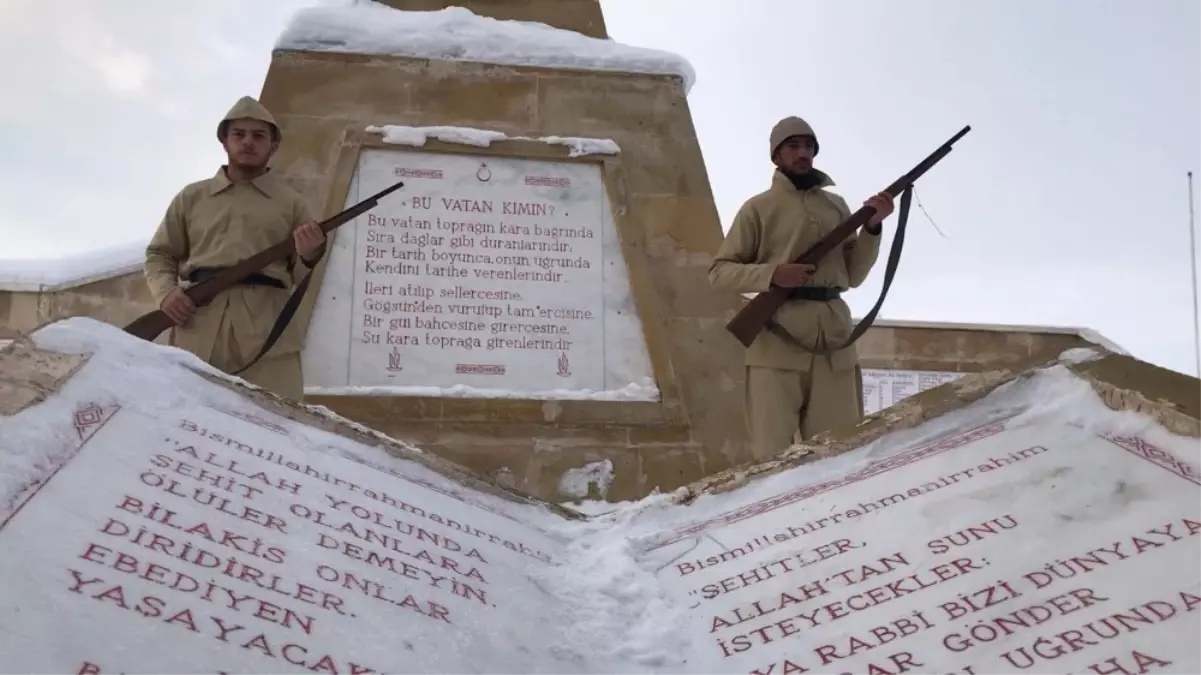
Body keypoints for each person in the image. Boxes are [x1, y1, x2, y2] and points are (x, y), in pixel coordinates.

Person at [709, 116, 895, 458]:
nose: (803, 153)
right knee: (771, 456)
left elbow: (853, 275)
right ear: (776, 156)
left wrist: (871, 228)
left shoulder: (836, 206)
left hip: (834, 341)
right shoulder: (758, 209)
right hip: (778, 341)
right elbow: (720, 272)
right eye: (793, 146)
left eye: (809, 146)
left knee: (841, 451)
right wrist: (773, 275)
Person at [143, 96, 326, 400]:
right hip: (199, 322)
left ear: (274, 145)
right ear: (224, 142)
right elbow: (160, 254)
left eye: (258, 136)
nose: (248, 143)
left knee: (277, 423)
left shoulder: (291, 203)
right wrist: (166, 294)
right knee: (186, 414)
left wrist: (309, 254)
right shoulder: (192, 197)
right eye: (239, 135)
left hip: (267, 330)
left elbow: (299, 272)